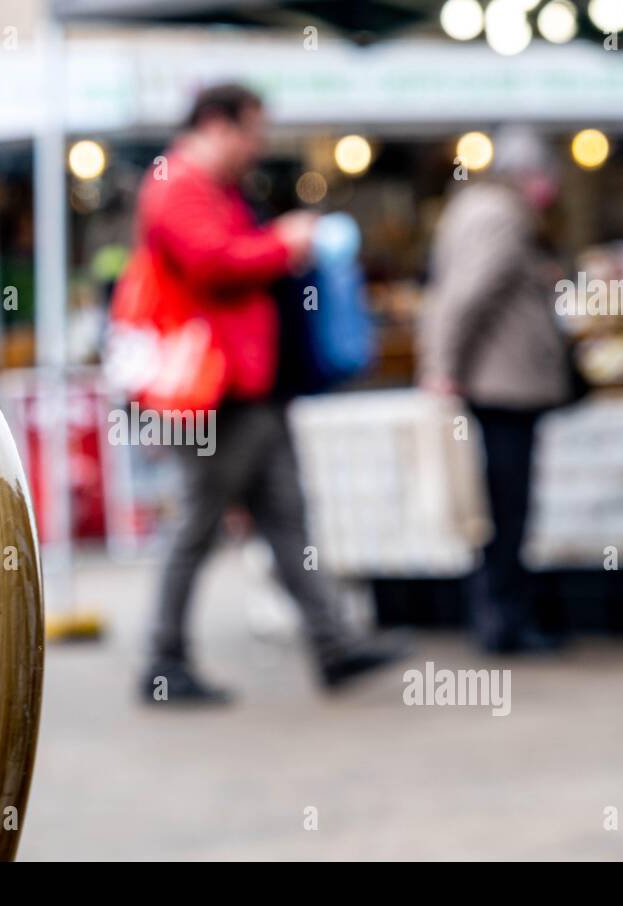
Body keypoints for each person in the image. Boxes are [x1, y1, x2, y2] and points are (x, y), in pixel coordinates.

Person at [136, 83, 400, 704]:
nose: (258, 146)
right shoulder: (176, 184)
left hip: (250, 388)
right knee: (198, 526)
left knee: (286, 521)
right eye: (252, 132)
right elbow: (212, 262)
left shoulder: (217, 188)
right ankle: (162, 663)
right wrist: (286, 243)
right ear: (217, 125)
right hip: (213, 396)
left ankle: (334, 644)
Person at [420, 126, 572, 655]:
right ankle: (505, 622)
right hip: (504, 385)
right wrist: (443, 367)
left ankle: (502, 617)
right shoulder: (501, 215)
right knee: (506, 509)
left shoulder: (471, 207)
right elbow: (468, 296)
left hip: (495, 381)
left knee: (498, 506)